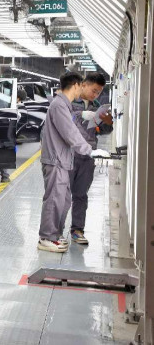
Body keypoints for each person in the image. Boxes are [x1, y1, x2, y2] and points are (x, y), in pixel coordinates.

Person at [38, 72, 109, 253]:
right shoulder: (59, 105)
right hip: (57, 160)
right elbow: (71, 133)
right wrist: (89, 151)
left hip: (64, 159)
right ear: (78, 85)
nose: (95, 95)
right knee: (55, 199)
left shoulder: (64, 105)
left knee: (64, 199)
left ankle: (55, 234)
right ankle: (47, 237)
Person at [68, 72, 113, 245]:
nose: (96, 95)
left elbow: (105, 131)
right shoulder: (70, 102)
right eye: (94, 90)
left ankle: (77, 230)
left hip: (88, 156)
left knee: (81, 194)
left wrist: (108, 122)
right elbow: (61, 122)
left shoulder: (97, 106)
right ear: (84, 84)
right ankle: (54, 232)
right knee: (62, 195)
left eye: (99, 92)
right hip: (69, 154)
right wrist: (80, 115)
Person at [0, 88, 28, 184]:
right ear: (18, 97)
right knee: (3, 153)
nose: (19, 102)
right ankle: (4, 176)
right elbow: (15, 117)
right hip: (3, 131)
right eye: (19, 100)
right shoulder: (10, 103)